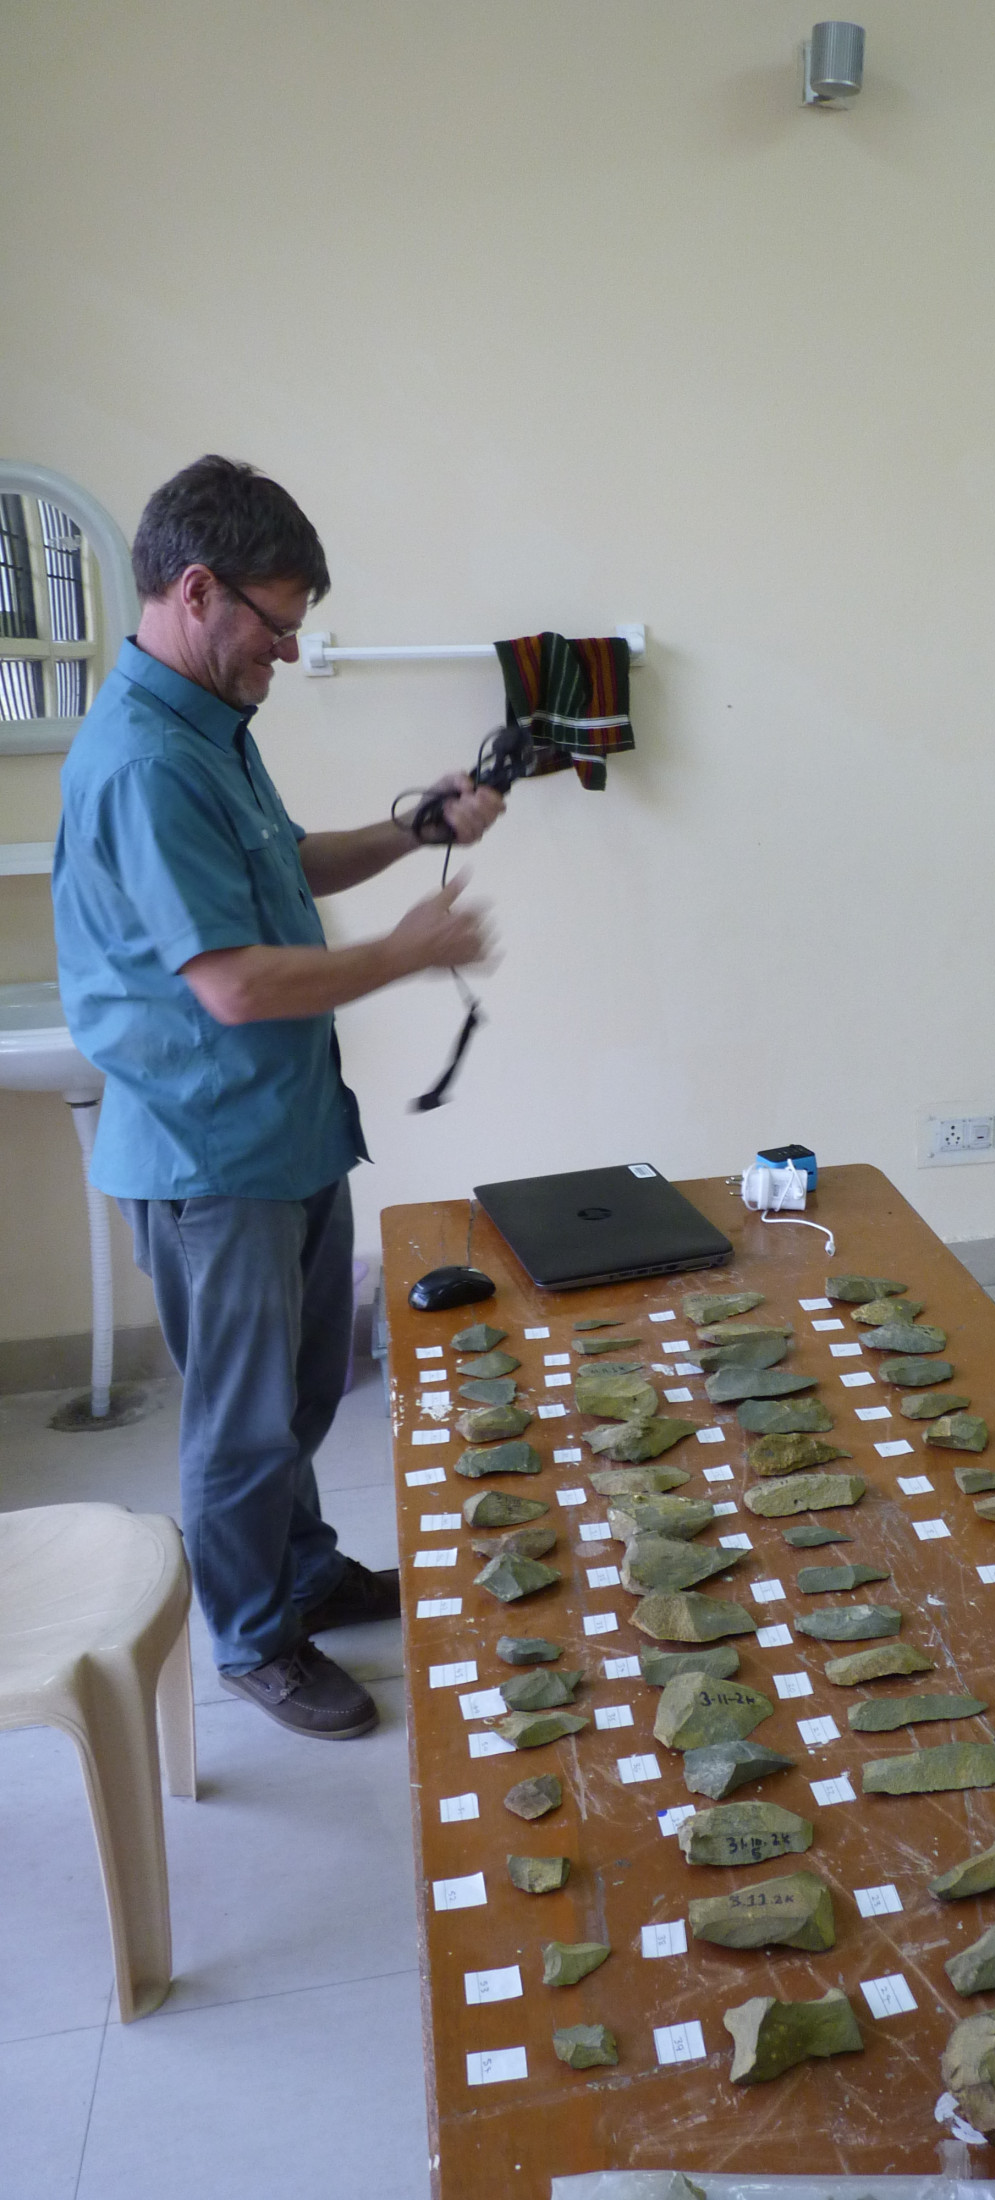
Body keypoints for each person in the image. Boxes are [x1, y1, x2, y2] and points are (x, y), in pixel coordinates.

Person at [54, 455, 503, 1738]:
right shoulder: (145, 759)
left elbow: (286, 863)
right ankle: (252, 1637)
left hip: (284, 1131)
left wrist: (419, 827)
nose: (290, 656)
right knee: (246, 1422)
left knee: (306, 1391)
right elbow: (238, 987)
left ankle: (301, 1570)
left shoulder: (206, 729)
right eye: (279, 625)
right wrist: (410, 952)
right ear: (199, 592)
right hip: (211, 1153)